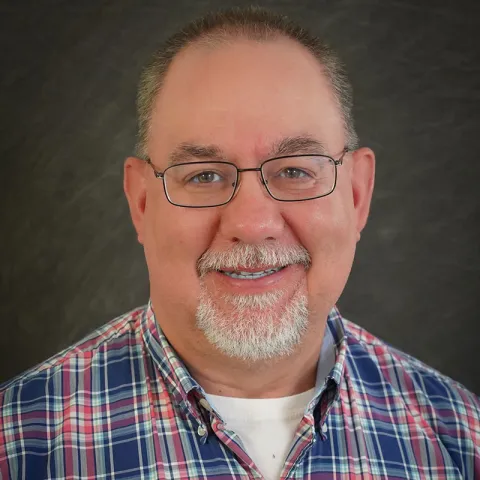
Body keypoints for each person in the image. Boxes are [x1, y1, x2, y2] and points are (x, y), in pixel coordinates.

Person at [1, 6, 479, 480]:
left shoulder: (463, 437)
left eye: (295, 171)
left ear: (357, 195)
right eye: (204, 175)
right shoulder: (19, 443)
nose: (252, 223)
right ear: (141, 203)